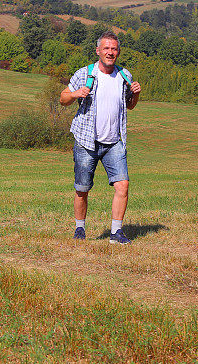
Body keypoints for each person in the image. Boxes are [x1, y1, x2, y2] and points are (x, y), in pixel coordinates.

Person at [60, 31, 141, 244]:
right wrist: (75, 94)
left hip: (114, 141)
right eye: (106, 48)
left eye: (114, 49)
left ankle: (116, 233)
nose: (110, 52)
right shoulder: (85, 73)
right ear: (98, 51)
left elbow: (130, 105)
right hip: (87, 141)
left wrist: (137, 94)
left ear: (118, 52)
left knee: (122, 185)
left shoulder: (125, 76)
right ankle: (80, 228)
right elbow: (63, 98)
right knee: (82, 188)